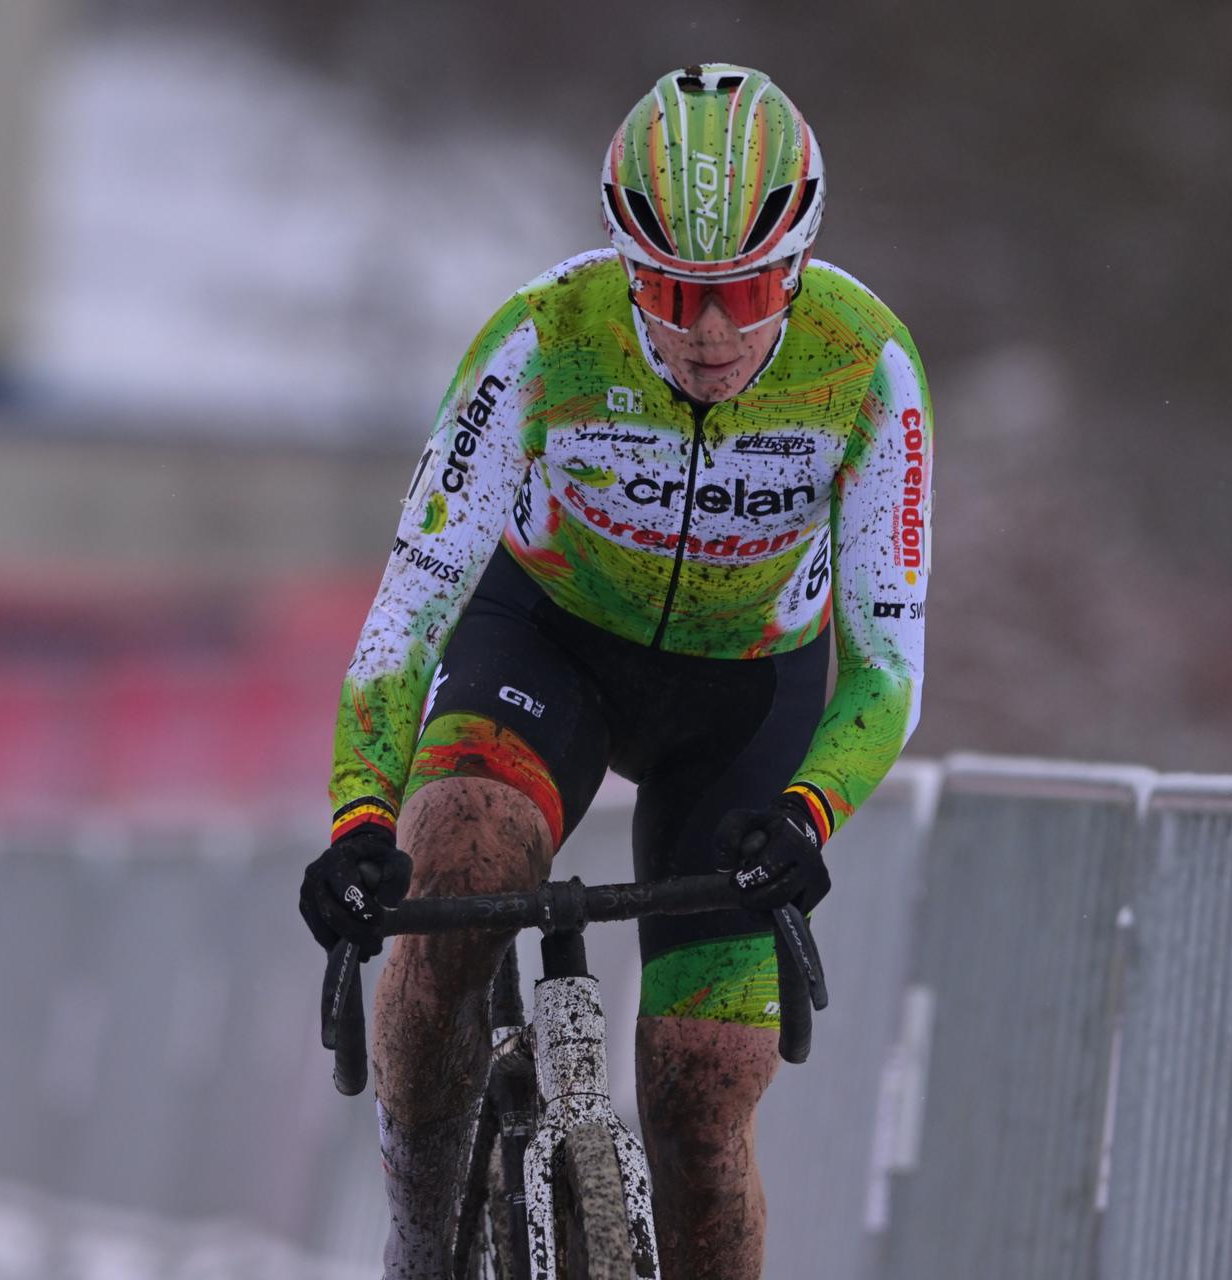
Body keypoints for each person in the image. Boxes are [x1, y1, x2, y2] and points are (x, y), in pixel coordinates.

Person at [299, 62, 932, 1280]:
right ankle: (422, 1237)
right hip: (547, 644)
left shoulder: (868, 366)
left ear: (797, 267)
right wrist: (362, 816)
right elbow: (410, 607)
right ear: (621, 263)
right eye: (671, 291)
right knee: (459, 874)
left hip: (744, 698)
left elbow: (890, 661)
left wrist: (809, 812)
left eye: (743, 293)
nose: (706, 334)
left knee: (703, 1090)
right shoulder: (544, 336)